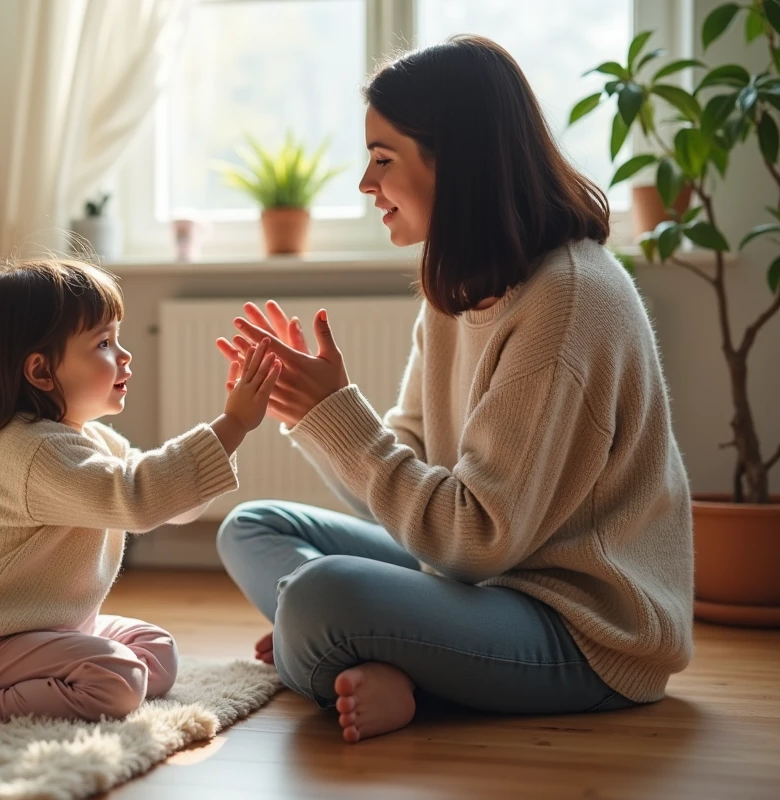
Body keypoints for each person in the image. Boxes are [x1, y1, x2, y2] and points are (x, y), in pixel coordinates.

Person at [215, 35, 694, 744]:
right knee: (252, 528)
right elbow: (410, 469)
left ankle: (342, 654)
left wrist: (338, 419)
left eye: (383, 159)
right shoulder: (462, 280)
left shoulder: (566, 301)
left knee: (321, 596)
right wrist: (316, 413)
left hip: (583, 629)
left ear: (459, 163)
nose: (364, 184)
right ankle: (342, 649)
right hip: (484, 584)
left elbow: (472, 539)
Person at [0, 258, 281, 723]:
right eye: (104, 343)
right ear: (41, 372)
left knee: (156, 653)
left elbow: (163, 502)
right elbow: (137, 498)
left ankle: (60, 681)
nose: (124, 356)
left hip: (38, 626)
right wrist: (234, 425)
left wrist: (223, 441)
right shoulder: (33, 452)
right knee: (121, 680)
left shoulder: (84, 436)